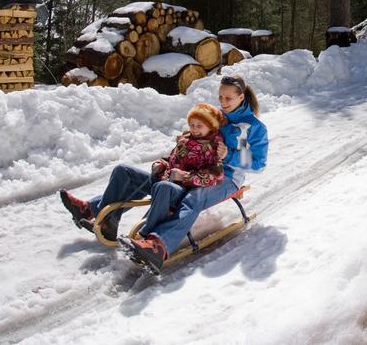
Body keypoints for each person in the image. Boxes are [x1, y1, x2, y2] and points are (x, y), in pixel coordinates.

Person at [129, 73, 268, 272]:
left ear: (241, 97)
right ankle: (132, 227)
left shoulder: (249, 128)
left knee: (195, 197)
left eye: (228, 98)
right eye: (220, 97)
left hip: (227, 177)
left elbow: (257, 163)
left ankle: (159, 246)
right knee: (163, 184)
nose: (223, 102)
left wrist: (229, 155)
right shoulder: (218, 117)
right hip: (197, 169)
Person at [59, 102, 226, 241]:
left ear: (210, 127)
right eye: (192, 125)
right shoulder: (186, 139)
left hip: (180, 191)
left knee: (161, 187)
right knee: (122, 170)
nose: (194, 129)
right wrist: (159, 164)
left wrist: (186, 176)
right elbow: (170, 159)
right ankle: (108, 221)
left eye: (199, 126)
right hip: (163, 180)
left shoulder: (213, 147)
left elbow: (216, 176)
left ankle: (93, 212)